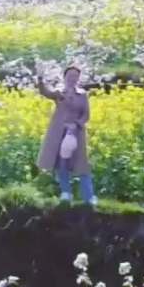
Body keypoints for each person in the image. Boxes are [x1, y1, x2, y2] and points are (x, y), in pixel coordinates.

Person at [36, 65, 96, 207]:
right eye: (70, 76)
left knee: (82, 164)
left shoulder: (82, 95)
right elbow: (45, 92)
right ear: (65, 77)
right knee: (62, 163)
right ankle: (66, 193)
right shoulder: (59, 93)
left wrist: (76, 124)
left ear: (78, 79)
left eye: (75, 76)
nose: (72, 79)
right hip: (59, 133)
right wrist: (40, 79)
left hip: (77, 133)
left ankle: (89, 197)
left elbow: (86, 115)